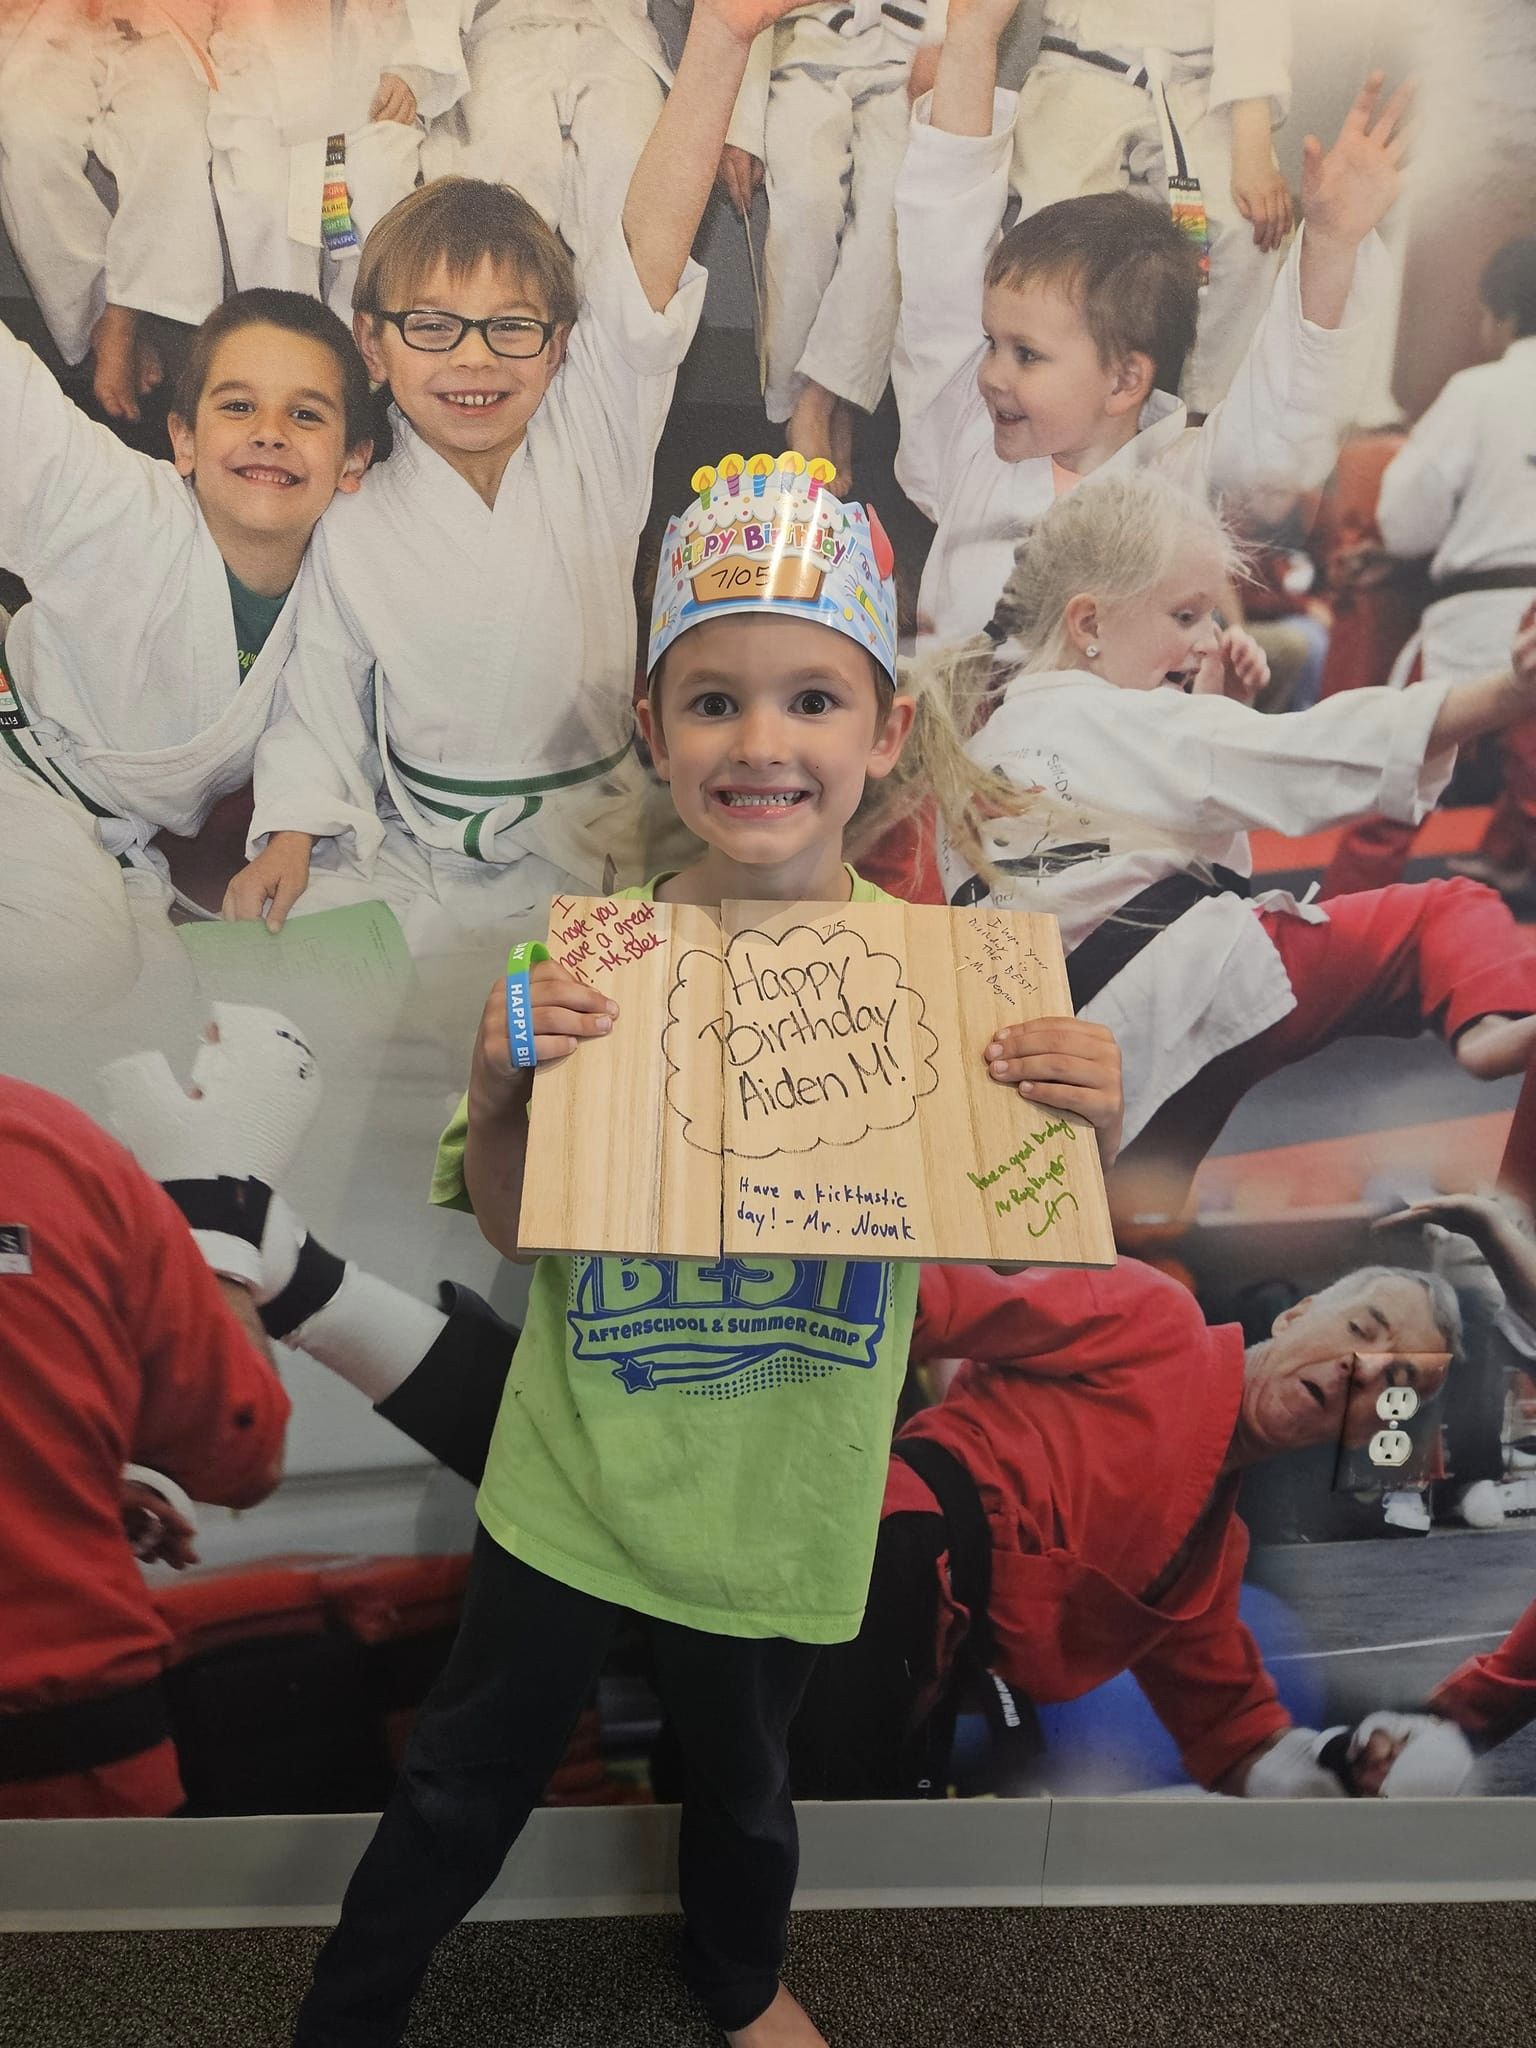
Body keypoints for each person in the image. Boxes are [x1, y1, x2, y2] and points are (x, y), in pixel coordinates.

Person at [282, 451, 1122, 2048]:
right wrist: (498, 1080)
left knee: (744, 1786)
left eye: (813, 700)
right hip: (577, 1475)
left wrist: (1090, 1113)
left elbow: (1032, 1228)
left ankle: (739, 1990)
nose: (763, 743)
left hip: (784, 1493)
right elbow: (521, 1221)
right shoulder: (589, 966)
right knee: (464, 1779)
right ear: (658, 734)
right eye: (716, 702)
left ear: (884, 735)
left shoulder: (958, 987)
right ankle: (350, 2010)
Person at [226, 0, 814, 968]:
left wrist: (720, 39)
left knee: (655, 1009)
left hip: (595, 854)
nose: (474, 360)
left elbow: (646, 257)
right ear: (371, 343)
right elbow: (322, 695)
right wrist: (293, 829)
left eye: (511, 328)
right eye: (433, 326)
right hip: (426, 851)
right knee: (288, 967)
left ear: (561, 348)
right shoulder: (356, 504)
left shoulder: (594, 435)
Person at [929, 469, 1536, 1207]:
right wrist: (1509, 693)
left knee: (1141, 1221)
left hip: (1069, 1062)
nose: (1209, 638)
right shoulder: (1129, 721)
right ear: (1088, 624)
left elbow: (1134, 846)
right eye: (1185, 616)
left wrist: (1218, 710)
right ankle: (1489, 1028)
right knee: (1441, 916)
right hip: (1182, 988)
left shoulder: (992, 740)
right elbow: (1319, 749)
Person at [891, 0, 1400, 650]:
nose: (990, 373)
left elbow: (1285, 418)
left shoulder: (1178, 494)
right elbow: (944, 242)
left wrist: (1331, 246)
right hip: (955, 744)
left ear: (1126, 378)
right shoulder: (965, 438)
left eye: (1027, 354)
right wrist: (971, 41)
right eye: (994, 343)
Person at [0, 290, 374, 1003]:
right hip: (15, 769)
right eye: (237, 406)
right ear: (183, 440)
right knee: (66, 970)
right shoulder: (120, 509)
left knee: (177, 1011)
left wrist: (293, 835)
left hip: (119, 847)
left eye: (305, 414)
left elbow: (320, 723)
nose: (270, 432)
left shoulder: (340, 593)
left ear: (353, 460)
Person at [0, 1059, 293, 1820]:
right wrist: (220, 1227)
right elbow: (244, 1454)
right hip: (71, 1771)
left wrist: (75, 1474)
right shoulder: (52, 1151)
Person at [1007, 2, 1294, 417]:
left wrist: (1252, 141)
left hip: (1195, 83)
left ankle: (1207, 414)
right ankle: (1052, 401)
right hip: (1080, 64)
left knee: (1249, 224)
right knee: (1053, 223)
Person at [721, 0, 947, 493]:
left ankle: (817, 400)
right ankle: (826, 402)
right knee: (806, 201)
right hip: (804, 41)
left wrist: (944, 39)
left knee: (898, 204)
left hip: (908, 50)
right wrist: (739, 124)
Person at [1374, 237, 1536, 897]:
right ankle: (1513, 858)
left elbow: (1403, 522)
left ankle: (1353, 898)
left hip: (1481, 627)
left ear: (1497, 314)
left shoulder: (1480, 389)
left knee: (1401, 757)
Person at [0, 0, 223, 420]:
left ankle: (123, 315)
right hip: (48, 21)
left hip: (169, 21)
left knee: (172, 132)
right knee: (27, 137)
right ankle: (96, 320)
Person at [207, 0, 467, 322]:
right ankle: (287, 337)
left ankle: (364, 339)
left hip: (372, 79)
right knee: (263, 194)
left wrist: (412, 73)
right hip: (261, 83)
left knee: (379, 181)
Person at [421, 0, 676, 273]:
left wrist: (729, 123)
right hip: (500, 27)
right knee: (508, 173)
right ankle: (515, 305)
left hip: (615, 30)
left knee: (634, 165)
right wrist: (408, 71)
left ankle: (622, 307)